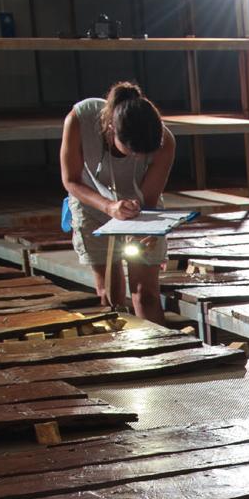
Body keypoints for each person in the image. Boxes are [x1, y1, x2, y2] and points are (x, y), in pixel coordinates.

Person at [59, 81, 176, 322]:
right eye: (132, 151)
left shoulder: (164, 140)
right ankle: (120, 349)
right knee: (109, 293)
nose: (137, 157)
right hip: (91, 202)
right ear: (111, 128)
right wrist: (109, 206)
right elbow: (70, 180)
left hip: (138, 208)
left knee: (146, 294)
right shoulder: (80, 120)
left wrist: (145, 230)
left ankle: (161, 350)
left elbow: (150, 198)